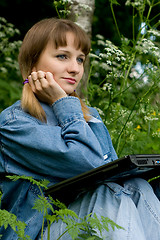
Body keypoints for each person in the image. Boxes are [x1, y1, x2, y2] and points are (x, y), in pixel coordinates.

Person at [0, 18, 160, 240]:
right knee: (107, 196)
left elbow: (110, 174)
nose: (75, 69)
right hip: (34, 233)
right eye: (62, 56)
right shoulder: (14, 124)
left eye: (80, 59)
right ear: (33, 63)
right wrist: (61, 102)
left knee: (139, 186)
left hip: (87, 220)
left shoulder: (88, 115)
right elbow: (89, 164)